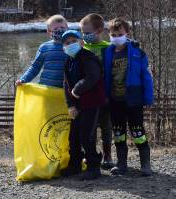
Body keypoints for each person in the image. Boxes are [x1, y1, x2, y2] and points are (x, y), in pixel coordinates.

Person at [104, 17, 154, 176]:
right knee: (118, 133)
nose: (116, 37)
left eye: (119, 33)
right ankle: (121, 164)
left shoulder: (137, 52)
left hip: (133, 100)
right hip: (114, 100)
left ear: (127, 33)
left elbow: (146, 76)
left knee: (138, 132)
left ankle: (145, 165)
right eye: (113, 34)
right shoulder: (108, 52)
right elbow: (105, 75)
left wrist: (148, 97)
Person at [61, 30, 106, 180]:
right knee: (73, 136)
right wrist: (70, 105)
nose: (70, 44)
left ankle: (93, 167)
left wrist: (76, 89)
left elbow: (92, 77)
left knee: (87, 135)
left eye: (73, 41)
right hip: (77, 105)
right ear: (63, 48)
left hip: (92, 103)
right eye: (67, 43)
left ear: (81, 42)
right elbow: (66, 86)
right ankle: (75, 165)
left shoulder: (88, 57)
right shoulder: (68, 62)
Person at [80, 13, 114, 169]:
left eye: (87, 32)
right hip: (88, 98)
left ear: (99, 31)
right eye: (82, 33)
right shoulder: (82, 48)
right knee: (89, 128)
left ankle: (108, 155)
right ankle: (91, 155)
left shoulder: (108, 48)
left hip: (106, 96)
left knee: (106, 127)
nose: (84, 36)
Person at [16, 15, 68, 87]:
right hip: (46, 90)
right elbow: (35, 67)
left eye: (62, 28)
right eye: (56, 28)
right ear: (49, 31)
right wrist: (23, 79)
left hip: (66, 92)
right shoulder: (44, 47)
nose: (60, 30)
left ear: (67, 28)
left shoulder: (73, 47)